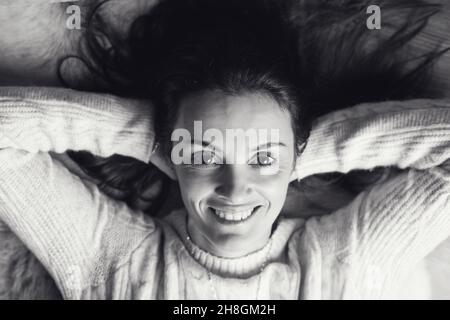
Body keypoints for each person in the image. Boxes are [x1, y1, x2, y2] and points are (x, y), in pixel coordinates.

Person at [0, 0, 449, 299]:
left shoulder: (347, 263)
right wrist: (156, 138)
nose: (236, 188)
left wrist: (295, 150)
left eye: (263, 158)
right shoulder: (112, 260)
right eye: (204, 155)